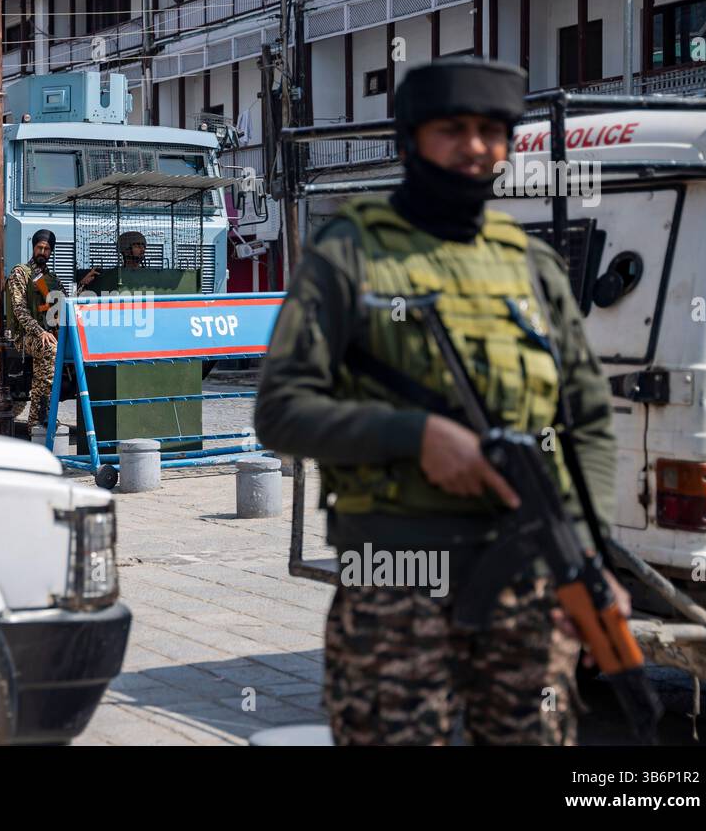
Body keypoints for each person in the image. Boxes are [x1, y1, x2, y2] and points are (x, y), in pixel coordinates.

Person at [255, 57, 625, 746]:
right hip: (395, 579)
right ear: (408, 141)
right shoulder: (349, 255)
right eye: (452, 129)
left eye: (491, 130)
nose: (476, 146)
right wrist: (413, 435)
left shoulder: (530, 265)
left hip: (529, 583)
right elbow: (280, 409)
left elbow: (590, 422)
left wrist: (590, 555)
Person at [4, 228, 64, 425]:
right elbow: (19, 309)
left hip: (48, 333)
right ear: (33, 247)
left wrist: (83, 284)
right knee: (50, 350)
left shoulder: (52, 279)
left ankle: (36, 423)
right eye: (40, 247)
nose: (43, 252)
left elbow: (66, 304)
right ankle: (43, 414)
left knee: (42, 376)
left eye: (47, 249)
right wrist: (40, 332)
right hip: (24, 335)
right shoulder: (21, 273)